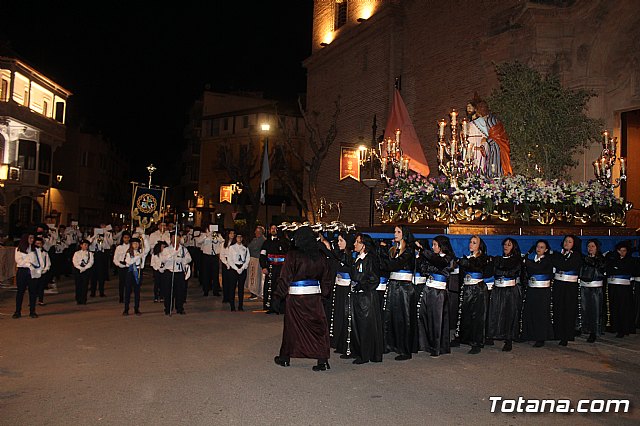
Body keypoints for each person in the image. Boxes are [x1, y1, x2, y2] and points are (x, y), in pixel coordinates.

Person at [273, 226, 334, 371]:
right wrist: (325, 293)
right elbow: (327, 277)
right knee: (318, 328)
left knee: (292, 328)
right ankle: (322, 360)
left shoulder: (293, 255)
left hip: (296, 299)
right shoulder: (319, 255)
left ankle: (285, 358)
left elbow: (285, 277)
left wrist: (277, 295)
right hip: (314, 298)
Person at [379, 225, 417, 361]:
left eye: (398, 232)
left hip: (404, 287)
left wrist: (383, 259)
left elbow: (395, 264)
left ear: (404, 234)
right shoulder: (394, 249)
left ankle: (405, 350)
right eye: (394, 231)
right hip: (393, 284)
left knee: (404, 318)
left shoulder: (409, 250)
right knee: (390, 315)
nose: (395, 234)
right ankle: (390, 345)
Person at [415, 235, 454, 357]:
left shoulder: (448, 258)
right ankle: (425, 344)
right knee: (424, 316)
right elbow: (424, 269)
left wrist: (423, 250)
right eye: (432, 245)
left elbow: (439, 264)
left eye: (435, 245)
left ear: (442, 246)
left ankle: (437, 347)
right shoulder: (432, 257)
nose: (433, 247)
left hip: (439, 291)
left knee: (437, 319)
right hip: (428, 288)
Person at [350, 233, 383, 364]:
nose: (354, 244)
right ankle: (360, 351)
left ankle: (366, 354)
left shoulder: (370, 259)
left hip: (366, 297)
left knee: (365, 326)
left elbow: (374, 279)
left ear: (364, 245)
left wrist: (362, 286)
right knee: (358, 324)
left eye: (357, 242)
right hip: (359, 295)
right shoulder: (357, 258)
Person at [323, 230, 356, 357]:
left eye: (341, 241)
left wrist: (330, 248)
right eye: (338, 240)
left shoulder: (351, 256)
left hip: (347, 288)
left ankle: (344, 343)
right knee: (336, 314)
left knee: (344, 314)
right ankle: (336, 340)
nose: (339, 243)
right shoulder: (340, 255)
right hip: (338, 287)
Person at [487, 238, 523, 352]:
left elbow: (507, 268)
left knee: (509, 314)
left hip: (510, 290)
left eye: (509, 245)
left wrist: (497, 262)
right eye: (505, 245)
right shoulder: (499, 259)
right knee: (495, 312)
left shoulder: (516, 260)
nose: (506, 247)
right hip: (498, 288)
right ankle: (493, 335)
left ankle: (508, 339)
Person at [458, 235, 491, 354]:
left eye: (474, 243)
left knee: (477, 316)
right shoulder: (468, 257)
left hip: (478, 288)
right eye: (470, 242)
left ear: (480, 246)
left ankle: (477, 342)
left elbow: (474, 266)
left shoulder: (482, 258)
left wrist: (463, 261)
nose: (471, 244)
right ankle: (465, 338)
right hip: (467, 288)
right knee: (465, 314)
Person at [522, 240, 555, 347]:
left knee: (541, 313)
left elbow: (538, 268)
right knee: (529, 311)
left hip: (542, 291)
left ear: (546, 250)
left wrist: (525, 261)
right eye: (537, 247)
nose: (538, 249)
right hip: (532, 288)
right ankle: (528, 334)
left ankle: (541, 337)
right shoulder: (533, 259)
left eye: (541, 247)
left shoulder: (547, 260)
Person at [550, 235, 582, 346]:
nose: (566, 243)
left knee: (568, 309)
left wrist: (554, 259)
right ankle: (557, 333)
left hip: (569, 286)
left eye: (569, 241)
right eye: (565, 241)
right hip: (558, 284)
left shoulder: (577, 256)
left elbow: (565, 266)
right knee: (558, 308)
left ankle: (567, 335)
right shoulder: (560, 254)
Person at [473, 100, 513, 176]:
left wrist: (486, 140)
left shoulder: (490, 120)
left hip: (497, 147)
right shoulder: (489, 119)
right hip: (494, 146)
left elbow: (496, 136)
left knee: (494, 165)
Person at [605, 240, 635, 338]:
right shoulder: (612, 259)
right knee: (614, 306)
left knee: (624, 308)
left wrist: (617, 268)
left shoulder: (630, 260)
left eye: (624, 251)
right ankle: (615, 327)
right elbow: (609, 269)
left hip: (624, 288)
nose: (622, 253)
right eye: (620, 250)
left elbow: (627, 269)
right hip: (613, 286)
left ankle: (624, 328)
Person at [579, 239, 606, 343]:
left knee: (595, 309)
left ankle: (594, 332)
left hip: (596, 288)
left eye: (592, 246)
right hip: (585, 287)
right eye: (589, 246)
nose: (590, 248)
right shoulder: (584, 259)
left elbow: (598, 266)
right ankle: (586, 328)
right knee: (585, 308)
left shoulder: (601, 259)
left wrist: (587, 259)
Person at [160, 231, 192, 315]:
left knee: (180, 291)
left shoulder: (183, 249)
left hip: (179, 272)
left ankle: (179, 308)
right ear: (171, 239)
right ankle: (168, 308)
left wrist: (182, 260)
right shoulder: (167, 249)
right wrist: (171, 255)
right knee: (168, 291)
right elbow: (163, 259)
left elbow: (189, 258)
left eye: (177, 238)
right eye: (173, 238)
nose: (175, 240)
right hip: (169, 272)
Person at [260, 224, 289, 313]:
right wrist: (264, 267)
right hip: (270, 268)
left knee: (280, 287)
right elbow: (262, 255)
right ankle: (270, 307)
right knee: (270, 287)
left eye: (275, 228)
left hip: (281, 268)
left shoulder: (284, 242)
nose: (273, 230)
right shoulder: (266, 242)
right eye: (272, 228)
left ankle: (281, 307)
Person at [13, 233, 38, 318]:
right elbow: (19, 261)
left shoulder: (35, 249)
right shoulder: (18, 249)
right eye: (30, 238)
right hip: (22, 271)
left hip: (32, 272)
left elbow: (36, 261)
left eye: (33, 238)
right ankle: (17, 311)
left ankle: (32, 311)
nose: (32, 240)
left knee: (33, 292)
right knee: (20, 292)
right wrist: (28, 263)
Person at [226, 231, 250, 311]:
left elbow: (247, 259)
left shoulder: (245, 248)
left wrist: (242, 268)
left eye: (240, 237)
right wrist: (236, 268)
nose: (239, 239)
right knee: (232, 287)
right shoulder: (232, 247)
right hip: (234, 268)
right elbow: (229, 259)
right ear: (235, 238)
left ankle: (240, 305)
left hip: (242, 268)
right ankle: (232, 306)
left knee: (241, 288)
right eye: (238, 237)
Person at [198, 226, 223, 297]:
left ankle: (216, 290)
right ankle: (206, 290)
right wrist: (207, 235)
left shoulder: (218, 235)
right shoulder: (204, 235)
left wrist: (216, 235)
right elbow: (199, 241)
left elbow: (222, 241)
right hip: (206, 256)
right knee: (206, 274)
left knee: (215, 274)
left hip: (214, 256)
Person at [123, 237, 145, 316]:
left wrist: (143, 237)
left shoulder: (141, 252)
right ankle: (126, 309)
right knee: (128, 291)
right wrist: (139, 256)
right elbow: (129, 262)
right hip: (130, 272)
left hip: (138, 271)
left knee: (137, 291)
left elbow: (142, 264)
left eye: (137, 243)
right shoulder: (129, 253)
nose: (136, 245)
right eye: (134, 244)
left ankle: (136, 308)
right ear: (131, 245)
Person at [89, 227, 112, 298]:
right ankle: (92, 292)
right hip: (93, 255)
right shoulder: (90, 237)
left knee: (101, 275)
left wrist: (102, 237)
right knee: (93, 276)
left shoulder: (102, 238)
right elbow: (88, 243)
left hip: (101, 256)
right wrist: (94, 237)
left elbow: (104, 246)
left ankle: (101, 292)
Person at [246, 225, 266, 301]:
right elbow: (249, 247)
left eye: (257, 231)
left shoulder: (263, 240)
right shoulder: (255, 239)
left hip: (257, 260)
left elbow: (255, 249)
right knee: (252, 277)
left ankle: (256, 292)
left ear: (260, 232)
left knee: (256, 277)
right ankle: (252, 292)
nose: (255, 232)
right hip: (252, 259)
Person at [72, 239, 94, 305]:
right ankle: (78, 299)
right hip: (78, 270)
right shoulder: (77, 253)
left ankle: (84, 299)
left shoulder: (90, 253)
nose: (86, 246)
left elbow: (91, 262)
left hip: (86, 271)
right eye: (84, 245)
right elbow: (74, 261)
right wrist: (80, 268)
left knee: (85, 285)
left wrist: (85, 268)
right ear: (81, 245)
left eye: (87, 245)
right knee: (78, 285)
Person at [112, 231, 131, 303]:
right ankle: (121, 297)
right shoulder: (119, 247)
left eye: (128, 238)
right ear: (122, 238)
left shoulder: (131, 246)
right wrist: (119, 265)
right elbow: (115, 258)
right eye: (125, 238)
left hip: (129, 266)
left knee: (128, 283)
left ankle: (127, 296)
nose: (126, 239)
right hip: (121, 266)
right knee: (121, 283)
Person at [219, 229, 236, 304]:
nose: (232, 235)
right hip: (225, 262)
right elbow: (221, 255)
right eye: (230, 233)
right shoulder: (223, 244)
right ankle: (225, 297)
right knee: (225, 281)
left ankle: (231, 296)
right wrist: (226, 263)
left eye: (233, 233)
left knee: (232, 281)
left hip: (233, 263)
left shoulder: (235, 244)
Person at [34, 236, 52, 306]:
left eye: (40, 243)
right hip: (35, 272)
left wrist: (45, 269)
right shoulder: (33, 252)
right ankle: (32, 300)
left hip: (43, 272)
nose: (38, 245)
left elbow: (48, 262)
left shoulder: (45, 253)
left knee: (41, 287)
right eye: (37, 243)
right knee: (33, 287)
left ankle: (40, 300)